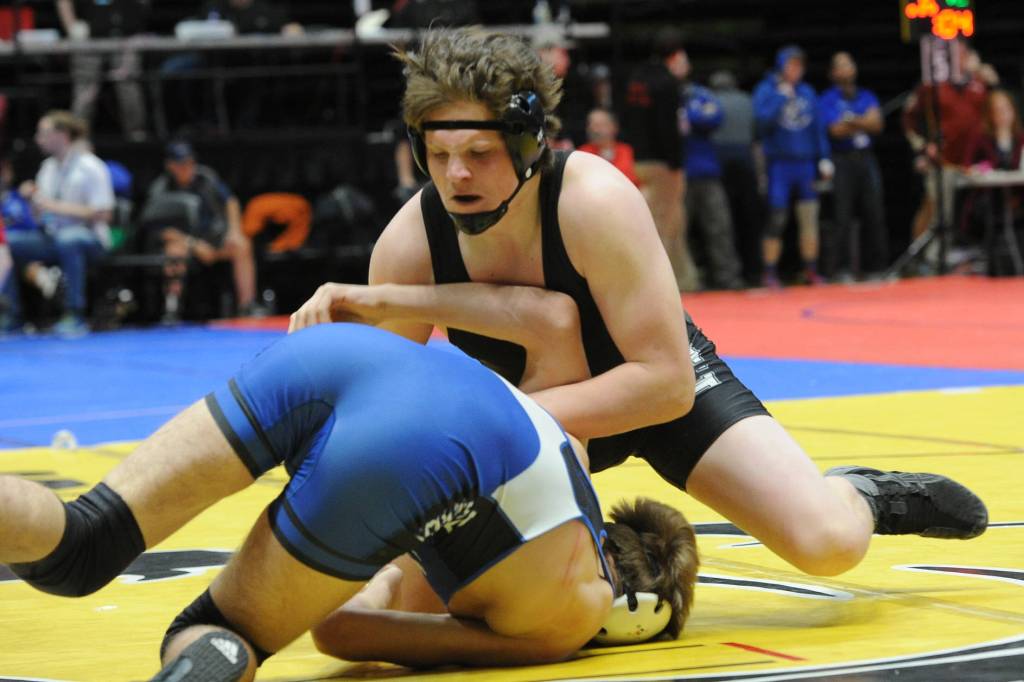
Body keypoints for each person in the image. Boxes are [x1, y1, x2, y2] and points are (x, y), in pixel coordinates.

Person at [292, 27, 988, 588]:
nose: (458, 176)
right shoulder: (412, 240)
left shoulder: (593, 201)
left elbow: (665, 383)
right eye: (438, 155)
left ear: (531, 147)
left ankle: (865, 493)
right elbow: (389, 400)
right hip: (545, 412)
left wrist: (491, 425)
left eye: (478, 152)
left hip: (655, 392)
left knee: (826, 544)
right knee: (413, 581)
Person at [0, 322, 699, 680]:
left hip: (353, 354)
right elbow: (342, 630)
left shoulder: (569, 476)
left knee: (83, 544)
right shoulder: (569, 615)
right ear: (636, 618)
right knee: (227, 630)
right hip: (418, 446)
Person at [1, 111, 113, 336]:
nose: (38, 139)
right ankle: (11, 315)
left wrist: (54, 206)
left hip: (90, 238)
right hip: (52, 236)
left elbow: (104, 213)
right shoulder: (47, 168)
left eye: (43, 133)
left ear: (62, 135)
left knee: (68, 239)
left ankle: (75, 313)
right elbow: (42, 216)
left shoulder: (91, 167)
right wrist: (32, 201)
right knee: (6, 244)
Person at [141, 140, 259, 321]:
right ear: (170, 165)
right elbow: (160, 229)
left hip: (214, 239)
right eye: (181, 164)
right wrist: (194, 244)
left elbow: (230, 201)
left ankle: (247, 305)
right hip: (185, 243)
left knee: (241, 244)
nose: (187, 168)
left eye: (190, 163)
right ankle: (172, 308)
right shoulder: (161, 189)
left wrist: (234, 231)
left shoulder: (206, 178)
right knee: (173, 251)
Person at [620, 28, 697, 291]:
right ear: (675, 54)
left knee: (671, 220)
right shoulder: (666, 83)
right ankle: (657, 286)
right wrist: (676, 163)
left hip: (640, 158)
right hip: (663, 163)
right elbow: (668, 127)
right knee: (663, 224)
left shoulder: (637, 78)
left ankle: (684, 280)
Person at [753, 45, 832, 288]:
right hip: (779, 165)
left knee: (809, 217)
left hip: (805, 164)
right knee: (777, 218)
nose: (796, 70)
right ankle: (769, 272)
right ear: (781, 66)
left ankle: (810, 269)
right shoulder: (767, 90)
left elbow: (817, 127)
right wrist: (780, 97)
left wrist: (824, 157)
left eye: (800, 66)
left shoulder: (807, 92)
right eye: (792, 65)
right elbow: (760, 123)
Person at [818, 51, 888, 280]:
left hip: (865, 158)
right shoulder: (827, 99)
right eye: (841, 66)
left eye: (850, 64)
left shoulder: (866, 95)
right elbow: (835, 130)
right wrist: (863, 121)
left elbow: (877, 124)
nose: (847, 69)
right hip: (842, 160)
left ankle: (875, 267)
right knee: (843, 215)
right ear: (833, 73)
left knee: (873, 212)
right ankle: (842, 268)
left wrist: (851, 121)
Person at [681, 73, 745, 290]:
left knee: (720, 226)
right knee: (679, 230)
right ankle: (686, 279)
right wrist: (693, 115)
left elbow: (715, 117)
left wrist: (688, 115)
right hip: (679, 172)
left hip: (707, 171)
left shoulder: (700, 93)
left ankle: (727, 277)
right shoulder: (672, 94)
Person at [56, 0, 149, 140]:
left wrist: (135, 17)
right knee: (85, 92)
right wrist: (71, 27)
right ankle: (78, 139)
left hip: (125, 37)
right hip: (87, 39)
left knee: (128, 87)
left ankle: (137, 135)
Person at [710, 69, 762, 284]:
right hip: (746, 163)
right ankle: (754, 271)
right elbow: (757, 137)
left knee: (724, 222)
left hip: (720, 165)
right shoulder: (747, 101)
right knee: (749, 220)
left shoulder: (711, 101)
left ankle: (728, 273)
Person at [577, 108, 639, 186]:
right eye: (590, 125)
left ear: (614, 127)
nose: (594, 130)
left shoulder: (624, 149)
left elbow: (627, 178)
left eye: (599, 125)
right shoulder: (583, 152)